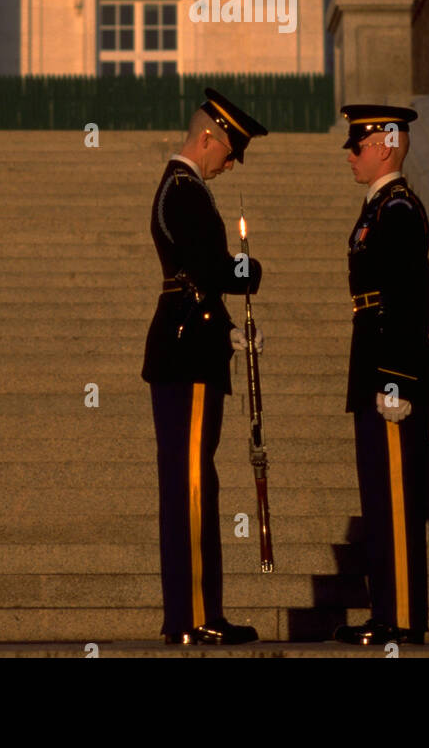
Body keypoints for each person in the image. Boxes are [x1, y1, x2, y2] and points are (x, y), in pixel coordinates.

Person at [142, 86, 268, 645]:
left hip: (191, 339)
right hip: (188, 347)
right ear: (208, 138)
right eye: (231, 150)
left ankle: (192, 613)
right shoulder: (186, 190)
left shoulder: (182, 188)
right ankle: (195, 616)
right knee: (193, 484)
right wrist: (249, 271)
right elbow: (210, 269)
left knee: (191, 482)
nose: (233, 162)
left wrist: (231, 325)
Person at [333, 104, 429, 647]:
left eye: (359, 143)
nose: (350, 153)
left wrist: (394, 377)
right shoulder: (379, 207)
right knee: (379, 496)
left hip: (392, 371)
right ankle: (387, 612)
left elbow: (409, 298)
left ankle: (400, 618)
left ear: (387, 145)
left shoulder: (397, 209)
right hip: (373, 364)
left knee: (395, 497)